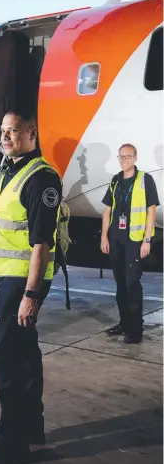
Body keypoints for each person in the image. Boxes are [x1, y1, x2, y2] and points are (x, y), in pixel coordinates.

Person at [0, 112, 62, 464]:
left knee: (4, 354)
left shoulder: (41, 178)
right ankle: (30, 426)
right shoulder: (11, 170)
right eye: (3, 131)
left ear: (31, 133)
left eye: (13, 131)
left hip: (22, 281)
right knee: (24, 351)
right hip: (7, 277)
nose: (6, 136)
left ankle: (13, 445)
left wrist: (31, 295)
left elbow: (41, 243)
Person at [101, 143, 159, 344]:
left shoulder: (145, 180)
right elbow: (108, 210)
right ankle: (124, 323)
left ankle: (135, 330)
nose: (124, 160)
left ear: (135, 158)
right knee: (120, 284)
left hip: (135, 240)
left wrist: (147, 240)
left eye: (128, 157)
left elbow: (151, 211)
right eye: (121, 157)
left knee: (132, 283)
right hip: (116, 239)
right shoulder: (116, 180)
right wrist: (104, 237)